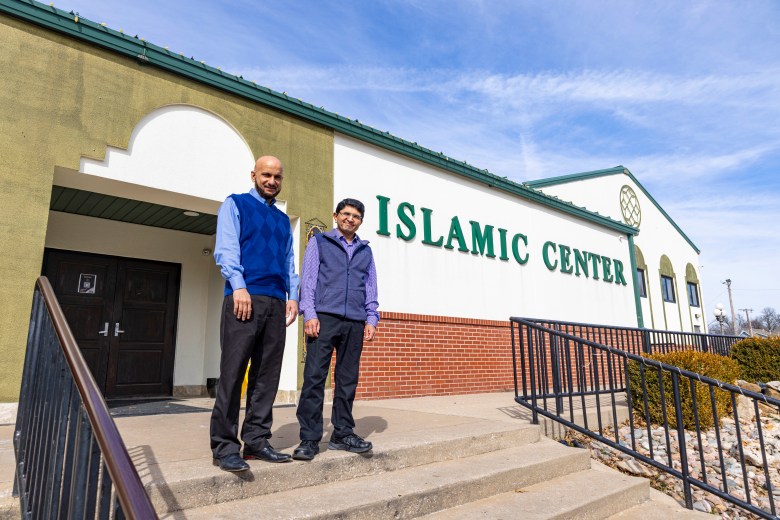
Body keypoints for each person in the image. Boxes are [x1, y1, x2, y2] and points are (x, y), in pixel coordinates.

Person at [210, 156, 299, 472]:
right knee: (233, 373)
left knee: (267, 376)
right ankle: (224, 447)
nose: (272, 181)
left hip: (276, 302)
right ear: (254, 175)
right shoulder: (235, 204)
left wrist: (293, 296)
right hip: (243, 298)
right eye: (266, 175)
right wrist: (239, 286)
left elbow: (288, 261)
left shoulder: (282, 220)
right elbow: (226, 249)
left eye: (277, 176)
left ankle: (257, 441)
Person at [293, 198, 379, 461]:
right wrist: (309, 313)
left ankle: (342, 433)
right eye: (346, 214)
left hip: (355, 321)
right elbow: (309, 280)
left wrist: (371, 318)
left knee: (347, 380)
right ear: (336, 215)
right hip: (324, 318)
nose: (350, 219)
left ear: (361, 221)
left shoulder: (366, 251)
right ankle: (309, 438)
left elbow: (370, 286)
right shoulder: (320, 242)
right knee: (314, 377)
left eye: (356, 216)